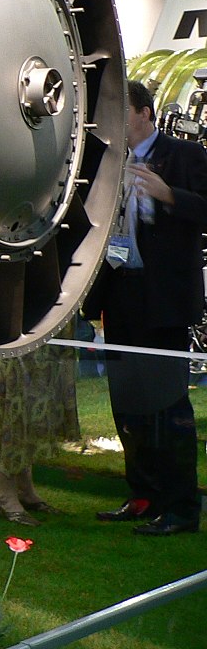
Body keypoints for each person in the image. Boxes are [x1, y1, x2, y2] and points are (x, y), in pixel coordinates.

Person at [85, 79, 207, 536]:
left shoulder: (185, 156)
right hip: (121, 297)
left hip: (165, 303)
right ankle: (142, 495)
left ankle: (180, 508)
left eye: (122, 109)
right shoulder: (107, 159)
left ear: (144, 112)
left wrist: (168, 194)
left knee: (168, 408)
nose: (114, 119)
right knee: (128, 405)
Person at [0, 343, 80, 526]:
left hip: (49, 331)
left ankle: (26, 492)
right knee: (11, 408)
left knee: (35, 407)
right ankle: (5, 497)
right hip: (14, 334)